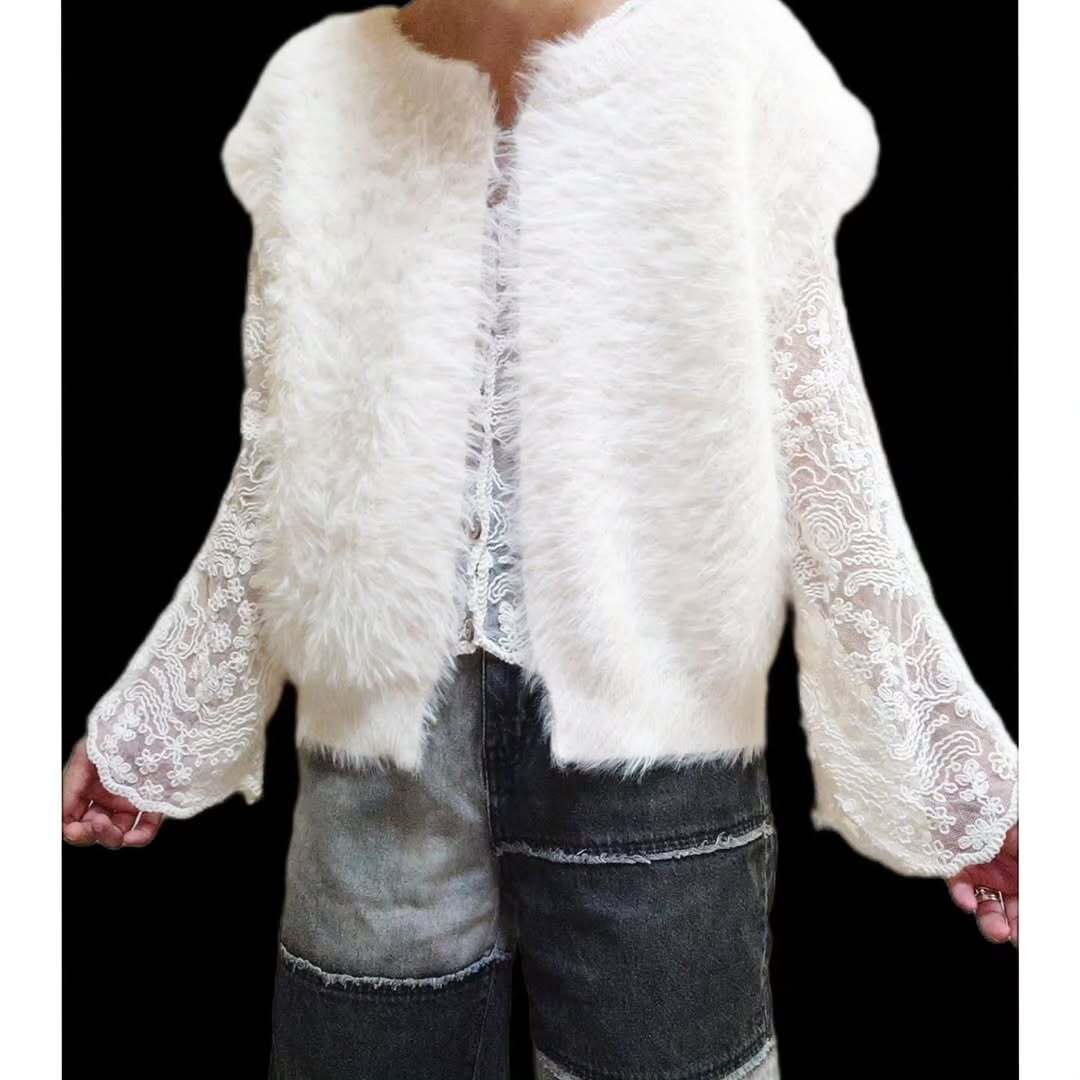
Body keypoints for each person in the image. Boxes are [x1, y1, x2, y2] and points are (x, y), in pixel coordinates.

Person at [61, 1, 1019, 1077]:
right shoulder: (316, 85)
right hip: (375, 766)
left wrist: (964, 786)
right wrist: (160, 723)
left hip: (652, 755)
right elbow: (286, 461)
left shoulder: (730, 56)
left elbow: (821, 447)